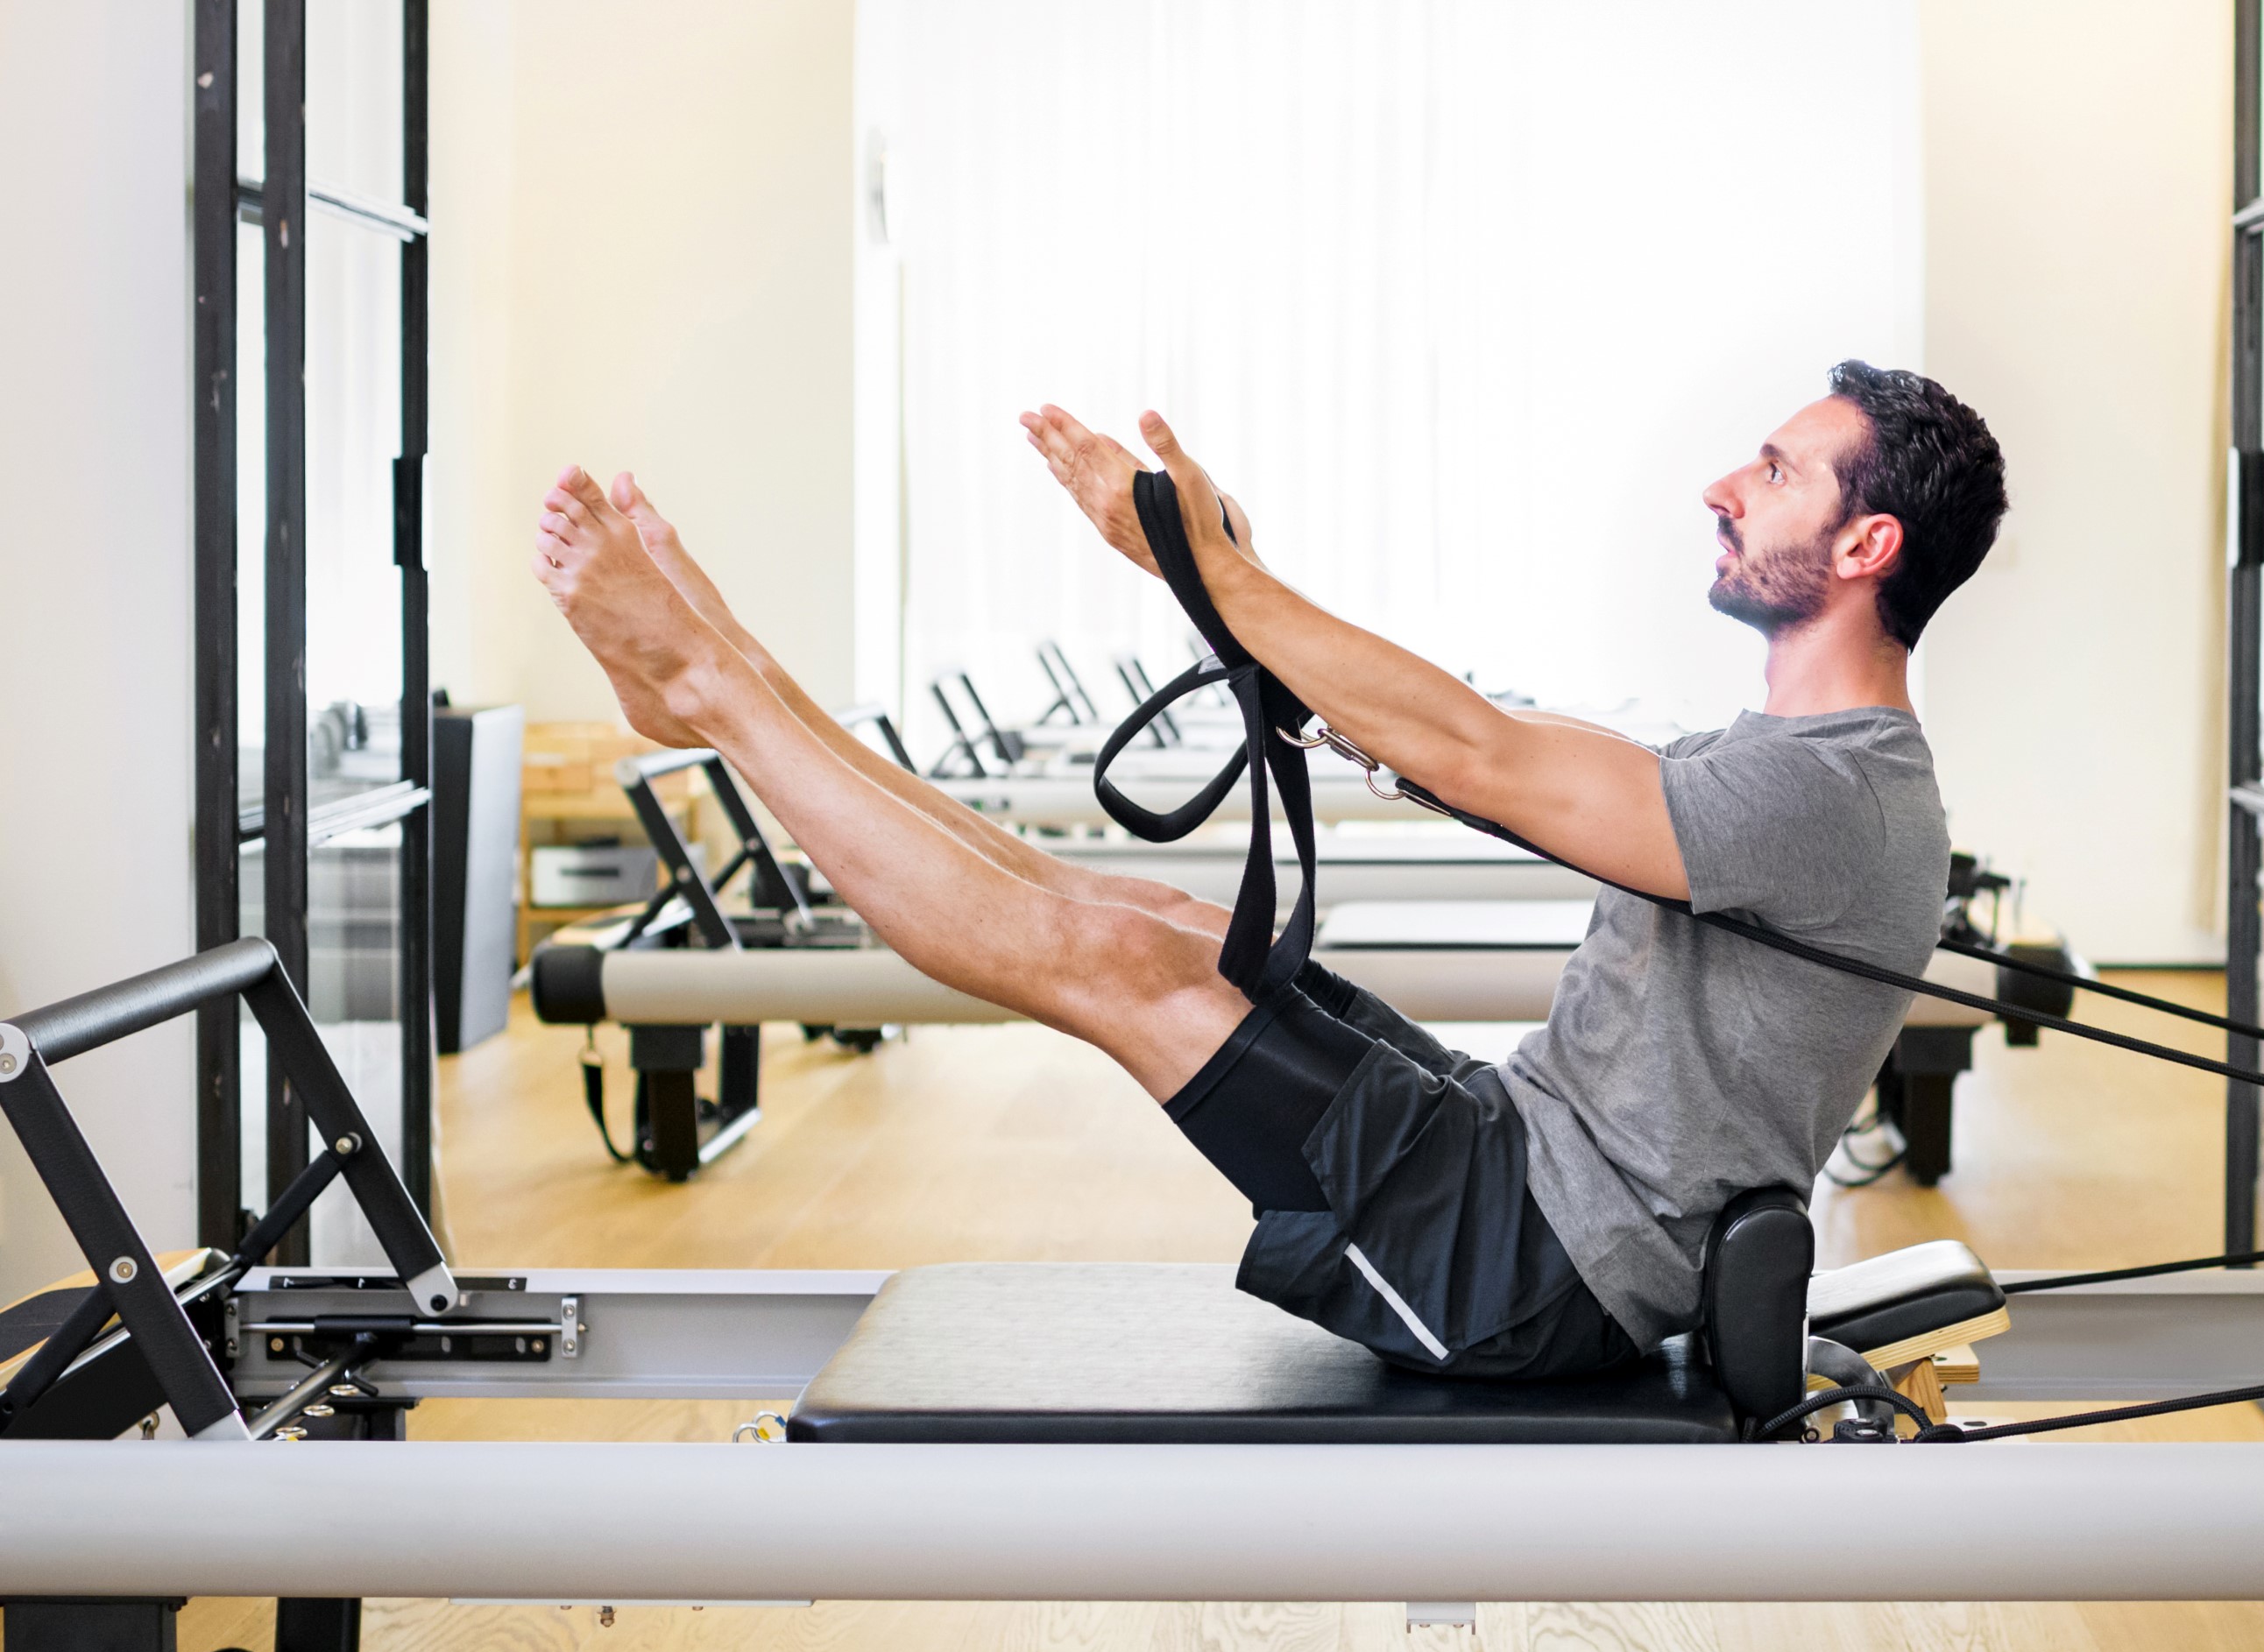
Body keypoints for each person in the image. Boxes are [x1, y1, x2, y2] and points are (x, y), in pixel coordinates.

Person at [528, 359, 2007, 1380]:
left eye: (1770, 469)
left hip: (1529, 1272)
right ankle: (732, 686)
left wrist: (1210, 572)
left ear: (1866, 540)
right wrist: (1228, 591)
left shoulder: (1829, 798)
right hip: (1515, 1162)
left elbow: (1483, 754)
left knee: (1109, 967)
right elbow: (1469, 739)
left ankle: (713, 695)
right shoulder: (1799, 765)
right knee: (1157, 922)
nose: (1720, 486)